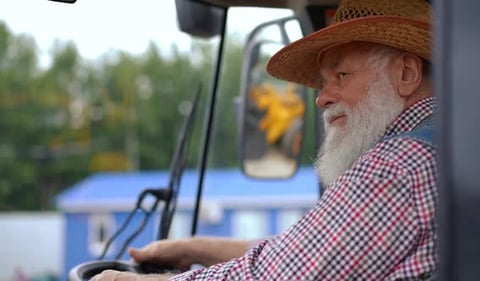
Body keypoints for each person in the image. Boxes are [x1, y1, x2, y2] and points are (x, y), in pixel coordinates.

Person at [92, 0, 437, 280]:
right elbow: (309, 251)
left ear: (406, 74)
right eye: (323, 81)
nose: (322, 98)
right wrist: (195, 248)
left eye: (341, 75)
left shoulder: (396, 165)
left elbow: (280, 275)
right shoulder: (438, 150)